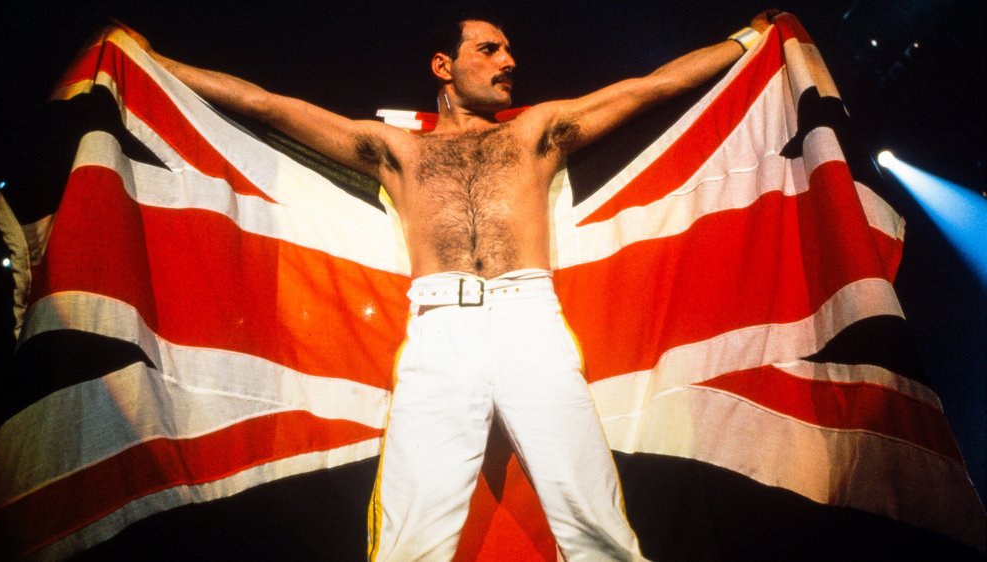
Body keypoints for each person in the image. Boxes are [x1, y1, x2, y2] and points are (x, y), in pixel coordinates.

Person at [124, 10, 774, 561]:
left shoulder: (536, 131)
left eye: (509, 50)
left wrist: (746, 42)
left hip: (530, 320)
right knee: (413, 534)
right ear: (444, 66)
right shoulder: (396, 150)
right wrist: (153, 63)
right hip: (439, 329)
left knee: (594, 519)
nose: (508, 61)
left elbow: (652, 88)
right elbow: (267, 104)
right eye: (489, 49)